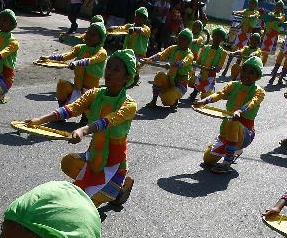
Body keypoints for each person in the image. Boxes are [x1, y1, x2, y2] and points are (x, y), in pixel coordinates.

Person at [24, 50, 137, 206]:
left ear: (127, 77)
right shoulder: (95, 94)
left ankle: (120, 187)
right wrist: (40, 120)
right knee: (68, 163)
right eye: (108, 67)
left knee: (84, 206)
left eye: (116, 70)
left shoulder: (129, 105)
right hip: (94, 154)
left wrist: (83, 130)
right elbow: (71, 109)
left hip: (114, 163)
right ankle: (113, 191)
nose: (109, 72)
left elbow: (108, 121)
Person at [196, 55, 265, 174]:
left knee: (234, 124)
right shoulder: (233, 85)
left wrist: (240, 111)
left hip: (245, 133)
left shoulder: (259, 91)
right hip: (226, 130)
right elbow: (220, 94)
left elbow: (252, 103)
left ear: (257, 77)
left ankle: (226, 163)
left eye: (251, 73)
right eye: (244, 70)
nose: (246, 75)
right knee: (207, 160)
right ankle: (231, 150)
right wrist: (204, 101)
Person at [42, 21, 108, 106]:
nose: (88, 36)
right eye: (88, 33)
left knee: (88, 112)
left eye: (93, 35)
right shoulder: (80, 48)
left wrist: (76, 63)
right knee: (62, 84)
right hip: (77, 88)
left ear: (101, 38)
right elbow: (64, 56)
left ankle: (86, 117)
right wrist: (48, 58)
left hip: (91, 91)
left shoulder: (102, 52)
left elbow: (90, 60)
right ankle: (61, 113)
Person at [144, 27, 193, 110]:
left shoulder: (190, 54)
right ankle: (153, 101)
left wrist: (179, 63)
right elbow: (161, 54)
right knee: (159, 75)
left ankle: (175, 99)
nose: (180, 40)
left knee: (166, 100)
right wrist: (149, 59)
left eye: (184, 39)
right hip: (170, 79)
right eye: (180, 38)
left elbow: (186, 60)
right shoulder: (173, 48)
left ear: (188, 43)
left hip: (180, 84)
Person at [189, 26, 226, 100]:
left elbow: (219, 67)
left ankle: (209, 91)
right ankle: (196, 91)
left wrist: (216, 68)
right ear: (212, 36)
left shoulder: (223, 53)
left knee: (205, 95)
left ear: (222, 39)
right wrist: (193, 63)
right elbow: (198, 61)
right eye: (216, 35)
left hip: (211, 74)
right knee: (193, 80)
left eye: (220, 36)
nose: (217, 38)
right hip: (202, 71)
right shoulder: (205, 48)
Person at [261, 0, 286, 65]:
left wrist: (275, 18)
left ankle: (262, 66)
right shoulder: (270, 14)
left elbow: (280, 19)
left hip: (273, 36)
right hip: (266, 35)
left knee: (266, 53)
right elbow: (266, 25)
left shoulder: (282, 16)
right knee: (261, 52)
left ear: (282, 8)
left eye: (280, 7)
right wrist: (263, 35)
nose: (278, 8)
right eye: (277, 6)